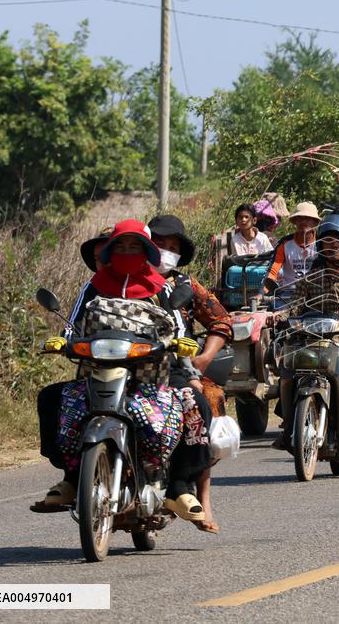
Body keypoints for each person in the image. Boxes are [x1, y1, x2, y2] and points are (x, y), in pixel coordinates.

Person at [33, 221, 209, 522]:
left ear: (147, 252)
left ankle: (178, 487)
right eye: (121, 246)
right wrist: (63, 340)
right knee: (51, 398)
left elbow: (176, 325)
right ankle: (72, 478)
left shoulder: (162, 287)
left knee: (194, 404)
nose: (127, 252)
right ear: (110, 251)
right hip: (97, 370)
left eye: (135, 246)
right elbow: (73, 323)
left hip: (152, 375)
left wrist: (182, 343)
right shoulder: (95, 285)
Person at [148, 214, 233, 534]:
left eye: (172, 247)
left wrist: (204, 358)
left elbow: (221, 321)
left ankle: (201, 494)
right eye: (159, 245)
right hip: (129, 364)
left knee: (206, 403)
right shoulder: (127, 280)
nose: (165, 252)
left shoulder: (184, 285)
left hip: (177, 368)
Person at [271, 214, 339, 455]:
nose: (333, 246)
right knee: (287, 371)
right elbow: (295, 305)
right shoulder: (309, 278)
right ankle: (289, 425)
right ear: (320, 246)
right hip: (310, 340)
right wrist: (280, 315)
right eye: (328, 241)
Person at [264, 201, 320, 295]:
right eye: (300, 219)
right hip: (289, 293)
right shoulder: (284, 243)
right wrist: (264, 290)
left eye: (307, 219)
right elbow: (273, 269)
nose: (303, 222)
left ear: (315, 222)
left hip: (315, 293)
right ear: (295, 222)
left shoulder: (322, 243)